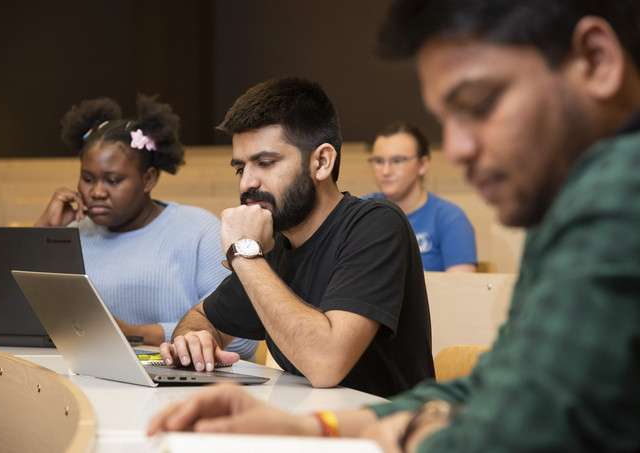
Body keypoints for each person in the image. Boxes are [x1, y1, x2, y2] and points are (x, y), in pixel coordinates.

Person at [147, 0, 640, 451]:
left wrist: (403, 429)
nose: (459, 147)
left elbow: (524, 431)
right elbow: (497, 385)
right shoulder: (572, 203)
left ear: (596, 60)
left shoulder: (618, 189)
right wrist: (311, 426)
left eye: (481, 103)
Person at [158, 77, 435, 398]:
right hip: (307, 425)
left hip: (388, 436)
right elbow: (200, 318)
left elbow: (326, 364)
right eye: (240, 168)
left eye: (265, 163)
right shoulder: (273, 244)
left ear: (321, 162)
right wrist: (196, 339)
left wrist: (243, 253)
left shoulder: (376, 224)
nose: (247, 183)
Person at [34, 95, 257, 360]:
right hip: (92, 376)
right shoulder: (72, 231)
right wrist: (44, 232)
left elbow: (242, 338)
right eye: (87, 178)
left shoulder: (199, 230)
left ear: (148, 179)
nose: (96, 192)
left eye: (113, 180)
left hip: (183, 383)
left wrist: (135, 333)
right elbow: (13, 315)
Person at [363, 121, 477, 272]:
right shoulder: (361, 211)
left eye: (397, 161)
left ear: (422, 164)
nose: (385, 171)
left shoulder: (450, 218)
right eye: (378, 161)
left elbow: (462, 288)